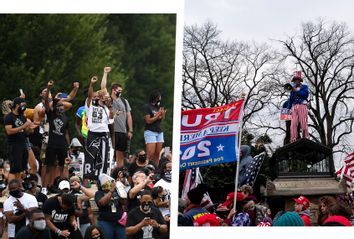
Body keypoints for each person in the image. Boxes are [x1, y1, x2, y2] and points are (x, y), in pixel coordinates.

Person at [84, 75, 114, 180]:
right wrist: (91, 84)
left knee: (104, 158)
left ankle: (102, 179)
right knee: (90, 156)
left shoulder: (106, 108)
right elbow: (89, 95)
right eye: (94, 96)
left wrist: (110, 107)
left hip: (104, 134)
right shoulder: (89, 105)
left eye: (98, 96)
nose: (96, 97)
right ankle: (86, 180)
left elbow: (111, 120)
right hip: (92, 134)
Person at [43, 80, 71, 192]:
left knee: (62, 166)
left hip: (62, 145)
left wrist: (68, 146)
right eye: (59, 105)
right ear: (55, 106)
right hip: (51, 144)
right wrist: (48, 88)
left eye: (62, 105)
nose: (61, 107)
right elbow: (46, 101)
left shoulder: (65, 118)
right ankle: (45, 188)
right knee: (49, 167)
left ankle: (61, 186)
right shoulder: (51, 114)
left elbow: (67, 133)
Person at [4, 97, 33, 181]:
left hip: (23, 144)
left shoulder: (22, 116)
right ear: (17, 105)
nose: (24, 107)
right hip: (14, 145)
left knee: (21, 168)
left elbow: (26, 131)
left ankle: (19, 185)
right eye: (22, 104)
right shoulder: (9, 117)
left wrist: (30, 128)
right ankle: (12, 188)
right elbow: (9, 131)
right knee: (14, 169)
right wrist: (23, 126)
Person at [108, 80, 134, 168]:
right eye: (119, 90)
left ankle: (119, 172)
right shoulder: (108, 99)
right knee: (110, 152)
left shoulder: (124, 101)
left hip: (122, 130)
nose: (120, 92)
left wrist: (130, 130)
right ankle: (109, 170)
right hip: (111, 130)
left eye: (121, 91)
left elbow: (129, 115)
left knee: (121, 154)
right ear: (113, 90)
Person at [94, 173, 126, 239]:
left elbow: (124, 202)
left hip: (119, 222)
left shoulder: (117, 191)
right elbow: (101, 203)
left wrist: (120, 189)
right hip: (106, 222)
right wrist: (111, 191)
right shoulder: (99, 193)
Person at [142, 90, 167, 167]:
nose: (160, 99)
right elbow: (148, 121)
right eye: (159, 98)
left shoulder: (158, 108)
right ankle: (146, 168)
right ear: (156, 98)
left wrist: (162, 115)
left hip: (159, 131)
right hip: (150, 131)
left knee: (157, 153)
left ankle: (156, 169)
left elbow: (161, 120)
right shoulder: (147, 107)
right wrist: (158, 115)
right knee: (150, 153)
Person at [286, 73, 309, 142]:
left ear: (299, 81)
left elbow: (305, 94)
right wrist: (288, 108)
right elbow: (290, 99)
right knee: (293, 123)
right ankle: (293, 138)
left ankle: (306, 137)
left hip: (302, 105)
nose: (296, 81)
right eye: (294, 81)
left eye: (297, 80)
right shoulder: (292, 89)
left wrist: (297, 91)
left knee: (303, 122)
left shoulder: (304, 87)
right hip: (294, 107)